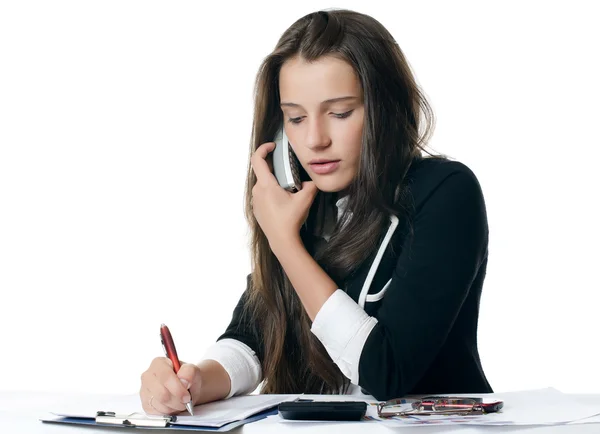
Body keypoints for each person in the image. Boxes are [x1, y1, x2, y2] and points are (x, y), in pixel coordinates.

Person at [140, 8, 493, 415]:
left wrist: (285, 243)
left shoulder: (446, 192)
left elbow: (386, 373)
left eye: (340, 113)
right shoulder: (304, 203)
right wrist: (196, 380)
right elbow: (252, 337)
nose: (314, 139)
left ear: (385, 110)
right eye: (295, 117)